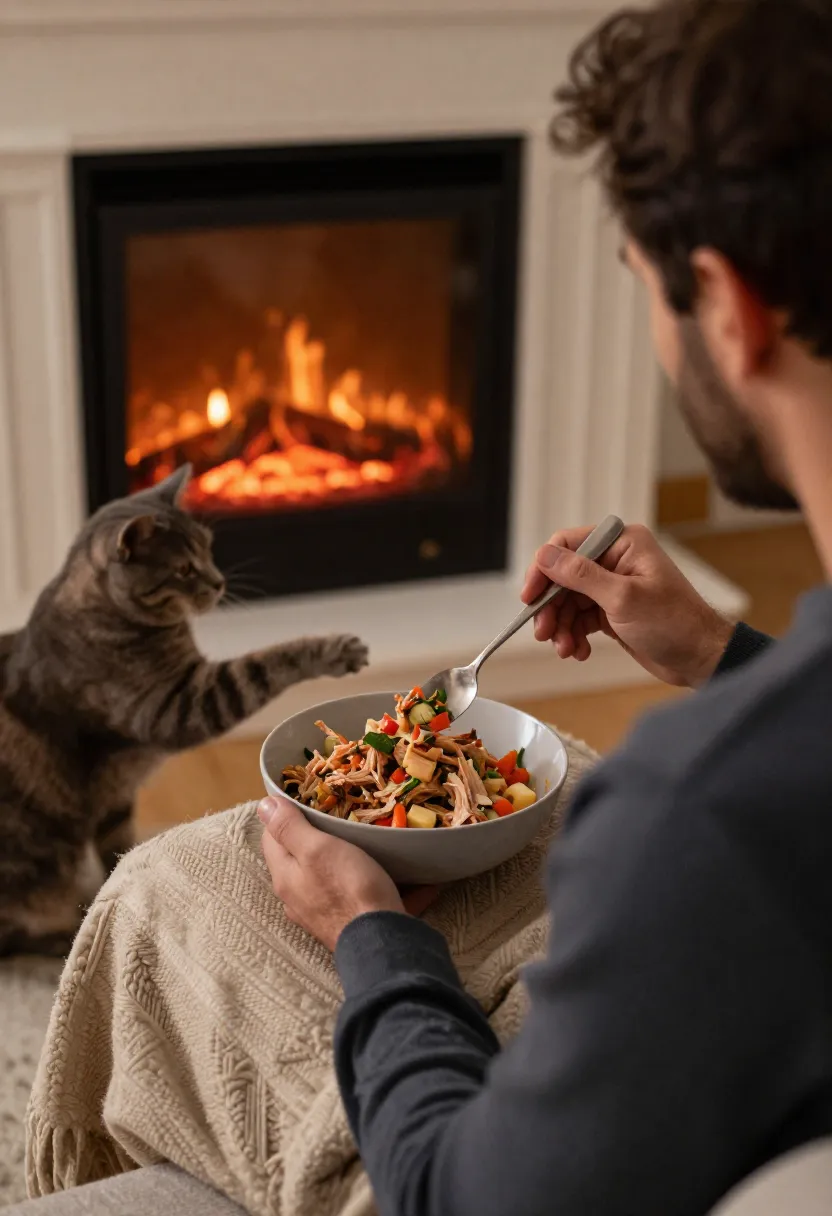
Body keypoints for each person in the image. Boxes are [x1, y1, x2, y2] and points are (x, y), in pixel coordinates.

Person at [258, 1, 832, 1213]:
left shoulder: (697, 816)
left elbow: (466, 1197)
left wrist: (373, 934)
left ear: (730, 310)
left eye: (642, 285)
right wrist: (731, 659)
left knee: (179, 894)